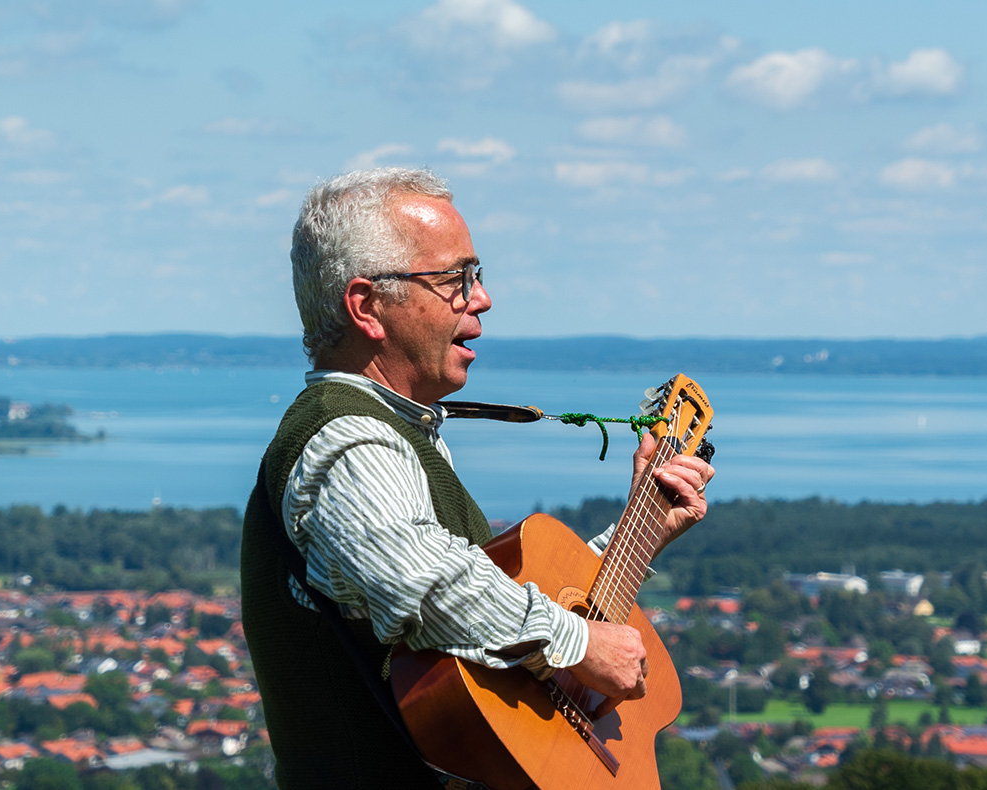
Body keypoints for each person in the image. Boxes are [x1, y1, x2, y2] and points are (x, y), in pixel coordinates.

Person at [240, 168, 714, 788]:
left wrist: (641, 528)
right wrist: (579, 644)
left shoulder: (398, 431)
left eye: (477, 275)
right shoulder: (350, 439)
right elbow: (427, 586)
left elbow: (493, 618)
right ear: (367, 307)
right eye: (455, 278)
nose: (481, 298)